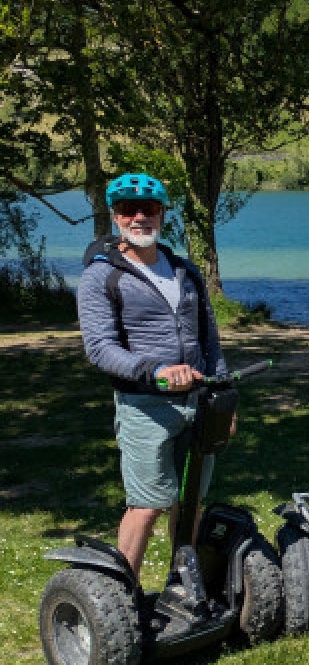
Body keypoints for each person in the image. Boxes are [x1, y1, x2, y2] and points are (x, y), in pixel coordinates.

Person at [77, 172, 227, 583]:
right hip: (145, 406)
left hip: (198, 401)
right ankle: (123, 597)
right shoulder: (101, 276)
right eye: (128, 209)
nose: (139, 216)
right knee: (146, 505)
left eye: (149, 209)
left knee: (191, 500)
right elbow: (100, 348)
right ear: (116, 216)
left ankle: (183, 585)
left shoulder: (184, 270)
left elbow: (209, 339)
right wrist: (156, 372)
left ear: (163, 214)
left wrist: (225, 394)